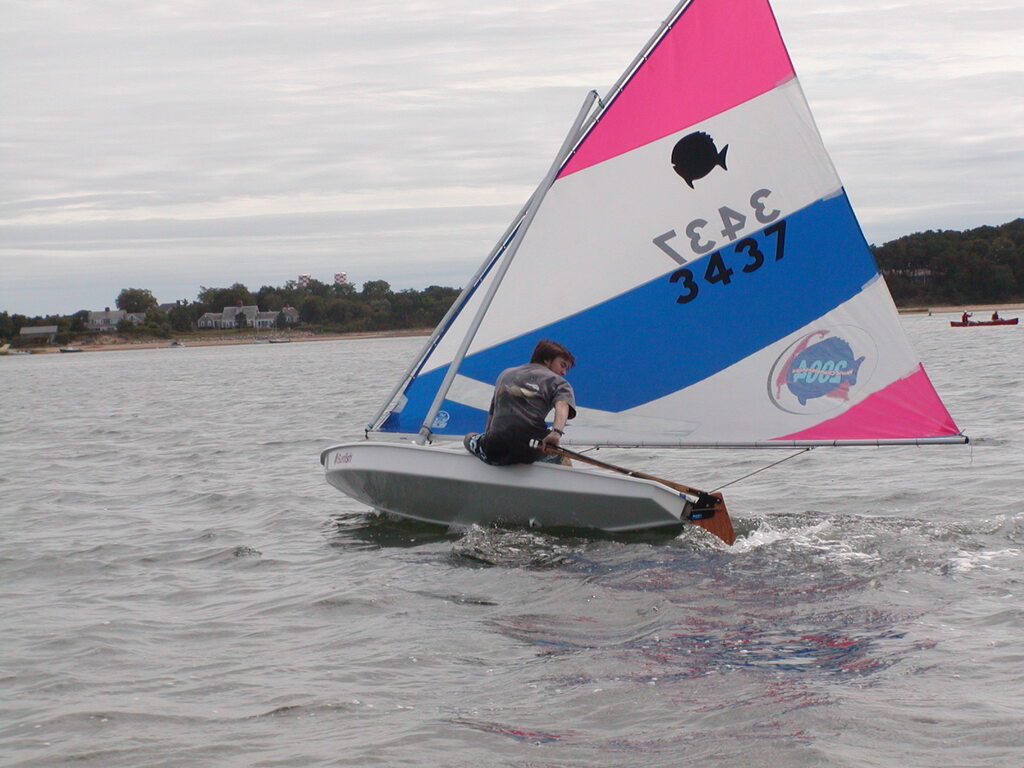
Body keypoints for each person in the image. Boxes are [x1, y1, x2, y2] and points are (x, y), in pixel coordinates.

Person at [464, 339, 576, 466]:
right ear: (547, 360)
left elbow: (492, 415)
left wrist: (488, 438)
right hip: (530, 450)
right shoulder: (559, 382)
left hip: (494, 449)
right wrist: (556, 432)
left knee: (469, 437)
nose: (564, 373)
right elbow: (562, 405)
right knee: (563, 459)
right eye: (562, 365)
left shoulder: (505, 374)